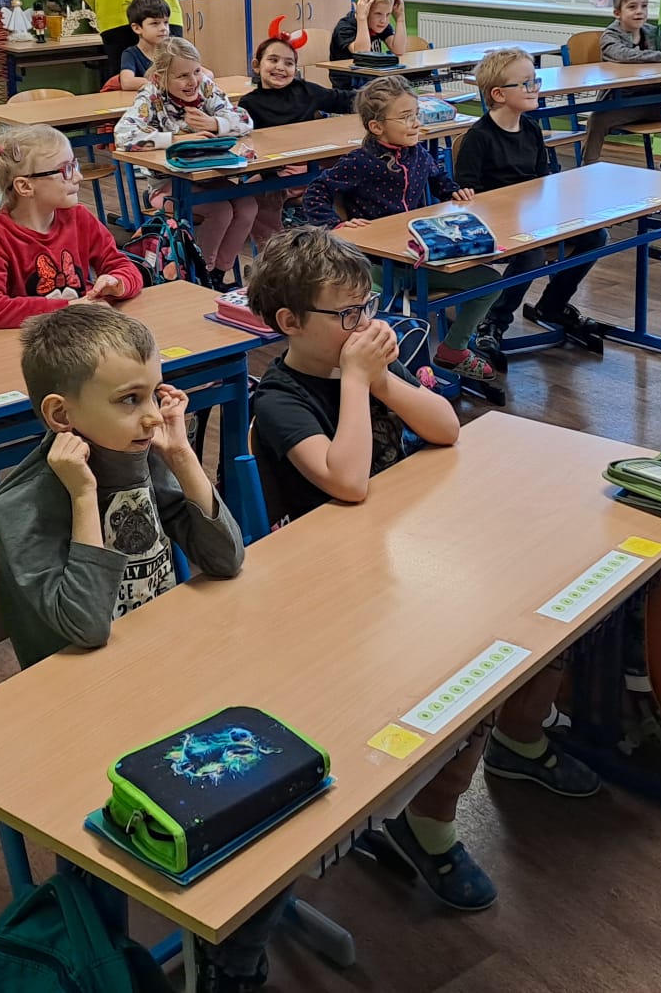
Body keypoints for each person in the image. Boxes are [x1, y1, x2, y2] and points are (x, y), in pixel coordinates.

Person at [243, 227, 599, 913]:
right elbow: (347, 481)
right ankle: (426, 819)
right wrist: (357, 381)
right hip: (329, 584)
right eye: (346, 314)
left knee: (543, 601)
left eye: (367, 307)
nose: (364, 326)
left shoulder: (368, 367)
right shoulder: (279, 398)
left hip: (392, 550)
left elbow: (445, 427)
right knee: (472, 659)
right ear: (290, 322)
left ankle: (521, 736)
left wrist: (380, 378)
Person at [0, 305, 260, 989]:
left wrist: (181, 455)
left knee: (272, 783)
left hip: (169, 677)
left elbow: (226, 559)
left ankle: (233, 941)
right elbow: (85, 626)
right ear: (61, 415)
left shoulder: (143, 460)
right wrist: (84, 499)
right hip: (85, 712)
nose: (151, 417)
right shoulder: (22, 508)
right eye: (130, 400)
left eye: (156, 394)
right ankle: (124, 952)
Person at [300, 76, 502, 386]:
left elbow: (437, 177)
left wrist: (453, 191)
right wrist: (335, 225)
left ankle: (453, 349)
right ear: (376, 126)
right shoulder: (360, 162)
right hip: (376, 266)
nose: (416, 123)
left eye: (416, 114)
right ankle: (393, 373)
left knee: (490, 282)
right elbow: (316, 191)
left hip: (418, 258)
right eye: (406, 117)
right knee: (377, 313)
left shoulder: (417, 153)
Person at [455, 48, 606, 357]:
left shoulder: (531, 129)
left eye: (535, 81)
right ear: (498, 94)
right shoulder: (478, 137)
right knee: (532, 254)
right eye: (525, 83)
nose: (534, 88)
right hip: (495, 223)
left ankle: (552, 305)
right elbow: (467, 194)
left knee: (595, 236)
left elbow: (542, 179)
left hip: (532, 217)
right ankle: (493, 322)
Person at [0, 125, 143, 328]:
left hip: (83, 332)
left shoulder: (79, 218)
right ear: (25, 186)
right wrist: (69, 308)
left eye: (75, 165)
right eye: (65, 170)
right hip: (33, 341)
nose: (78, 177)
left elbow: (124, 267)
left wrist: (117, 282)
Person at [111, 36, 258, 283]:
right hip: (168, 186)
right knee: (220, 211)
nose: (192, 82)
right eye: (182, 76)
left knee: (248, 206)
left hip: (210, 176)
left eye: (197, 71)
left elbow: (245, 121)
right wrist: (175, 140)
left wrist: (215, 123)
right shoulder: (151, 95)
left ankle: (218, 274)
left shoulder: (205, 87)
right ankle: (202, 275)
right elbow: (123, 135)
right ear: (160, 78)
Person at [240, 34, 352, 245]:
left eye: (288, 63)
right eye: (273, 60)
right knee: (250, 197)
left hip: (318, 166)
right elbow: (249, 144)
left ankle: (346, 241)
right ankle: (274, 252)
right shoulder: (249, 103)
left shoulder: (306, 90)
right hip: (278, 170)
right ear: (256, 65)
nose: (280, 67)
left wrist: (377, 98)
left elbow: (344, 100)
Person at [582, 0, 661, 164]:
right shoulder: (610, 36)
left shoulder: (652, 33)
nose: (640, 11)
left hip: (653, 99)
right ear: (617, 13)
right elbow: (623, 54)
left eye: (644, 6)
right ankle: (587, 166)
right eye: (632, 7)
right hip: (621, 102)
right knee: (597, 119)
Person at [110, 0, 174, 92]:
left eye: (166, 22)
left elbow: (197, 73)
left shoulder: (173, 50)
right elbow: (126, 82)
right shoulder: (130, 54)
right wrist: (160, 83)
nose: (163, 28)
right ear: (137, 28)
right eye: (155, 23)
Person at [328, 0, 408, 63]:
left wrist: (400, 18)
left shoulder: (379, 25)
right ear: (365, 9)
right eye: (378, 14)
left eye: (388, 14)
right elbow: (362, 54)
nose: (383, 20)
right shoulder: (345, 27)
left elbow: (398, 51)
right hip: (348, 71)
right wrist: (362, 18)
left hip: (372, 70)